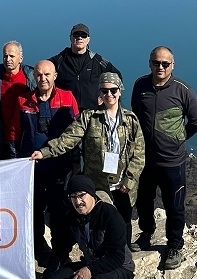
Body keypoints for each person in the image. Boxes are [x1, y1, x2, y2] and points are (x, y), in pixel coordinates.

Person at [30, 72, 145, 249]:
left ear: (120, 91)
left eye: (113, 90)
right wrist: (44, 152)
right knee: (98, 224)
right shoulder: (89, 118)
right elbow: (67, 139)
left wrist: (129, 180)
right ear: (100, 93)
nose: (109, 94)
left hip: (123, 185)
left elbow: (139, 154)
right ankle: (98, 257)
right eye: (104, 91)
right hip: (97, 184)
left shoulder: (131, 121)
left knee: (123, 222)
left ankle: (123, 256)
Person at [130, 46, 197, 270]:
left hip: (172, 161)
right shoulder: (140, 85)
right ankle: (146, 233)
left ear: (173, 65)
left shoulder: (183, 90)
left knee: (175, 205)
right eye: (156, 62)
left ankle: (174, 245)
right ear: (149, 63)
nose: (160, 67)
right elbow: (136, 114)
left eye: (165, 63)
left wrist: (178, 140)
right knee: (144, 200)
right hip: (145, 158)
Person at [36, 175, 135, 279]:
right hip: (92, 264)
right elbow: (61, 250)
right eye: (73, 197)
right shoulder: (73, 217)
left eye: (82, 195)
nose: (78, 201)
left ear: (92, 195)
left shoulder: (109, 215)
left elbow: (117, 257)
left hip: (120, 268)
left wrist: (89, 270)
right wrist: (46, 278)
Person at [8, 60, 79, 265]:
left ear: (55, 76)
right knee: (34, 209)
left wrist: (76, 162)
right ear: (34, 77)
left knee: (60, 210)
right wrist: (14, 163)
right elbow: (14, 133)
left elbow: (76, 132)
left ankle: (61, 252)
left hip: (60, 166)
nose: (43, 78)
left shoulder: (67, 97)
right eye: (39, 75)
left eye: (47, 74)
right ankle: (38, 250)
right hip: (32, 167)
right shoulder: (23, 100)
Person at [49, 23, 122, 112]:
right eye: (76, 34)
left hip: (92, 112)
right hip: (64, 112)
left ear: (88, 40)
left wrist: (105, 95)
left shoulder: (97, 61)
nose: (79, 38)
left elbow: (117, 76)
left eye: (83, 35)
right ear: (70, 38)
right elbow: (40, 71)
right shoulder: (59, 60)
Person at [0, 41, 36, 160]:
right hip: (3, 141)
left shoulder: (31, 78)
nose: (8, 59)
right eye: (5, 56)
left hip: (26, 139)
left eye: (12, 56)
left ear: (21, 58)